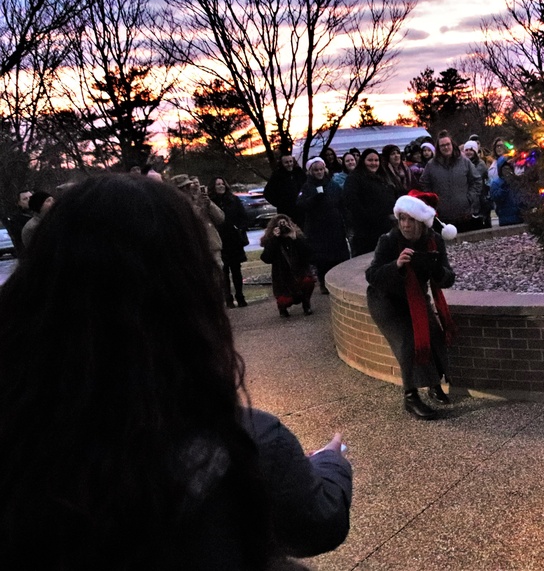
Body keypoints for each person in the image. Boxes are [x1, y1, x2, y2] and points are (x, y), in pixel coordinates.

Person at [0, 174, 352, 568]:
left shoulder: (23, 435)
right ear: (188, 292)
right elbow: (318, 522)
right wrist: (331, 465)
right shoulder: (244, 444)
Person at [365, 191, 458, 420]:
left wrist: (436, 270)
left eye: (411, 220)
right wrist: (396, 265)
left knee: (434, 335)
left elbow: (448, 278)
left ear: (421, 222)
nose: (405, 225)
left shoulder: (433, 240)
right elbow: (372, 275)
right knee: (408, 341)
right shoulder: (388, 240)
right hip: (386, 299)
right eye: (402, 219)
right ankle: (410, 396)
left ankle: (434, 385)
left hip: (416, 296)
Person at [297, 157, 350, 294]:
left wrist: (346, 223)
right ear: (311, 171)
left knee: (338, 256)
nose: (319, 172)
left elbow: (342, 204)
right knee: (322, 258)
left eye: (321, 169)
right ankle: (323, 282)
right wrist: (314, 199)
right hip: (317, 228)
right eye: (316, 170)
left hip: (334, 226)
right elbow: (301, 205)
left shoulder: (333, 185)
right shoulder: (306, 187)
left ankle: (339, 280)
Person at [419, 130, 483, 233]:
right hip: (442, 218)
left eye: (448, 144)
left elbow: (476, 180)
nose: (446, 147)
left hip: (464, 215)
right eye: (442, 145)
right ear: (438, 148)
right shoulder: (431, 165)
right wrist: (432, 201)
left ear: (452, 144)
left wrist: (470, 198)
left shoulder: (465, 162)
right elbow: (424, 184)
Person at [343, 147, 397, 256]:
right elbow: (351, 201)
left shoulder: (383, 177)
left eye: (376, 160)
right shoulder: (355, 178)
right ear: (363, 161)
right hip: (366, 231)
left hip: (385, 226)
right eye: (370, 160)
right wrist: (367, 217)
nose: (374, 163)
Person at [260, 214, 314, 317]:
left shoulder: (296, 237)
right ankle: (282, 308)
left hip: (299, 274)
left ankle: (306, 304)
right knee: (285, 301)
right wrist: (274, 239)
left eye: (285, 224)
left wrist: (295, 239)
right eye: (280, 225)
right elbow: (266, 258)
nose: (283, 228)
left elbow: (309, 254)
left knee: (308, 281)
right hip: (283, 280)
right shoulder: (272, 241)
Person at [209, 176, 250, 308]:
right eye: (217, 184)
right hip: (220, 240)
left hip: (234, 239)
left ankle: (240, 296)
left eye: (222, 184)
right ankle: (228, 298)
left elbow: (243, 217)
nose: (220, 186)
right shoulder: (210, 202)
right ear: (213, 187)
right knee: (223, 271)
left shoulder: (233, 200)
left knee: (236, 270)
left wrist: (240, 228)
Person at [172, 174, 226, 271]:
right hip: (193, 252)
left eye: (188, 186)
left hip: (212, 247)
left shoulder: (199, 199)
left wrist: (209, 204)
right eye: (183, 188)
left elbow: (220, 218)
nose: (187, 189)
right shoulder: (175, 207)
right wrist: (200, 207)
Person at [263, 152, 307, 226]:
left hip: (301, 210)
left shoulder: (299, 173)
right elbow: (267, 193)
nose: (289, 164)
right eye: (286, 162)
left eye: (290, 161)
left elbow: (307, 187)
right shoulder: (277, 176)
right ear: (282, 163)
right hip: (285, 212)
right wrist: (279, 203)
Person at [463, 140, 492, 229]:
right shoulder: (463, 164)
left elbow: (474, 178)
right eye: (466, 150)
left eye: (471, 150)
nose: (468, 152)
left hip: (481, 200)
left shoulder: (481, 165)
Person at [490, 152, 523, 226]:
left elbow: (523, 197)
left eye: (509, 169)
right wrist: (504, 187)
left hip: (519, 217)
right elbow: (495, 197)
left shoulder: (517, 181)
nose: (507, 171)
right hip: (505, 218)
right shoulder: (496, 183)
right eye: (504, 169)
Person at [3, 190, 32, 256]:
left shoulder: (42, 214)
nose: (29, 200)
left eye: (31, 197)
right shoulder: (16, 220)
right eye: (25, 199)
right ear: (19, 203)